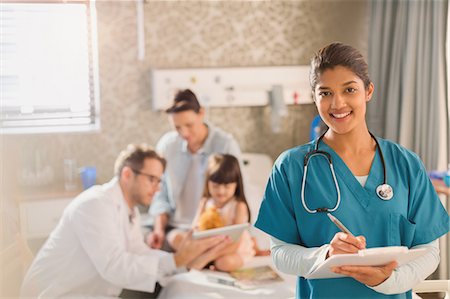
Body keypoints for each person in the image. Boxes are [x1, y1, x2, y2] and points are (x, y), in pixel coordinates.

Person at [255, 43, 450, 298]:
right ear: (314, 98)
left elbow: (429, 251)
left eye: (349, 89)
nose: (338, 103)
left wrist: (387, 282)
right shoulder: (291, 167)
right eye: (325, 93)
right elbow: (280, 254)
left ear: (368, 91)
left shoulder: (406, 164)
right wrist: (326, 254)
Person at [21, 144, 231, 298]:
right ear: (128, 174)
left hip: (91, 289)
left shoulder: (129, 210)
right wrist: (176, 261)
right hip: (59, 294)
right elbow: (114, 266)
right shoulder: (95, 205)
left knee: (167, 286)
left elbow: (138, 252)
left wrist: (182, 261)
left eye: (159, 181)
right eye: (152, 179)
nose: (157, 188)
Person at [147, 89, 242, 250]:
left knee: (205, 251)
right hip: (176, 227)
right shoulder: (167, 146)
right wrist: (159, 229)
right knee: (177, 243)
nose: (184, 133)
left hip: (213, 229)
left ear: (201, 113)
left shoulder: (225, 145)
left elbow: (239, 193)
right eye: (177, 128)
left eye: (189, 125)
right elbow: (159, 195)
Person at [168, 153, 255, 271]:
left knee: (225, 263)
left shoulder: (239, 206)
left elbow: (236, 241)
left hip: (230, 247)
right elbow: (194, 228)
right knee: (174, 237)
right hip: (206, 244)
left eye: (227, 186)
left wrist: (207, 256)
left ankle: (207, 260)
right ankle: (204, 258)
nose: (221, 191)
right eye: (215, 186)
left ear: (236, 185)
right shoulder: (205, 202)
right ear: (208, 183)